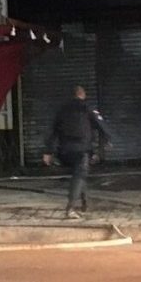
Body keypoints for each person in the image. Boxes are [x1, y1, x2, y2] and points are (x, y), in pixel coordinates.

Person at [42, 86, 111, 220]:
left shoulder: (61, 110)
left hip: (65, 151)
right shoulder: (87, 108)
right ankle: (70, 208)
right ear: (82, 94)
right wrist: (103, 146)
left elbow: (52, 131)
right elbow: (102, 127)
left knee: (78, 174)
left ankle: (85, 203)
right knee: (80, 175)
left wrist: (48, 152)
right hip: (82, 150)